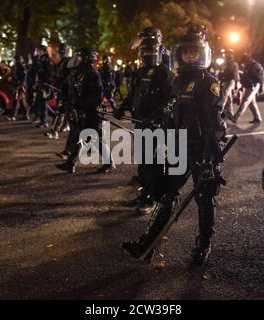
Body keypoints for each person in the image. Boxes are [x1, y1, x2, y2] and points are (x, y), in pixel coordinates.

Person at [122, 29, 227, 265]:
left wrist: (210, 159)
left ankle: (203, 244)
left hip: (201, 151)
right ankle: (148, 243)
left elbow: (214, 125)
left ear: (202, 54)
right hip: (180, 147)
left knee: (204, 197)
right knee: (168, 195)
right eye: (186, 52)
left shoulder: (209, 84)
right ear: (179, 54)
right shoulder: (178, 81)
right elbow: (171, 115)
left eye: (194, 52)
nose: (190, 57)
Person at [114, 27, 175, 215]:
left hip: (157, 125)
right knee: (143, 161)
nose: (147, 54)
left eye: (150, 51)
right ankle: (144, 193)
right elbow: (134, 93)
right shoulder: (141, 72)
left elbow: (170, 99)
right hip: (141, 122)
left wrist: (157, 117)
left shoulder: (165, 72)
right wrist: (122, 106)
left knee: (155, 162)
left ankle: (153, 198)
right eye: (145, 52)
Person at [56, 48, 115, 174]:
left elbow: (97, 96)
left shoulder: (93, 74)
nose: (76, 60)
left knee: (96, 138)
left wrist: (83, 105)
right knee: (80, 136)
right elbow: (69, 90)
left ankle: (109, 163)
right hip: (80, 110)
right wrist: (66, 103)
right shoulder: (76, 73)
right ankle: (70, 163)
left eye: (79, 57)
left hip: (91, 112)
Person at [46, 43, 73, 139]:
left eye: (63, 51)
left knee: (63, 110)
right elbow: (57, 76)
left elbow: (70, 78)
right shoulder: (61, 63)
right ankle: (60, 128)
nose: (61, 53)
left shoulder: (70, 63)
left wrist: (62, 85)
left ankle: (56, 130)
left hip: (67, 91)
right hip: (62, 90)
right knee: (62, 110)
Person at [232, 54, 264, 124]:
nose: (243, 63)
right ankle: (257, 118)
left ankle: (235, 117)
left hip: (254, 86)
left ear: (248, 60)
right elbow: (245, 77)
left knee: (245, 101)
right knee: (252, 103)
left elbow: (261, 77)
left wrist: (261, 86)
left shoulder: (256, 66)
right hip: (249, 86)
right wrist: (241, 86)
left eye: (244, 61)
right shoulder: (248, 65)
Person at [32, 45, 55, 128]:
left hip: (45, 84)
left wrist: (47, 82)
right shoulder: (40, 59)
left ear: (43, 51)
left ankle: (44, 121)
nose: (37, 52)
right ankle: (54, 115)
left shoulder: (47, 60)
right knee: (40, 102)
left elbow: (50, 73)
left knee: (42, 101)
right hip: (40, 83)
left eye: (39, 50)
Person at [219, 49, 240, 120]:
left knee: (224, 95)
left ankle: (219, 111)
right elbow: (221, 72)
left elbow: (236, 75)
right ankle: (230, 113)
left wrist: (237, 84)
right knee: (228, 98)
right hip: (225, 81)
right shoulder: (225, 63)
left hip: (231, 81)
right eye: (225, 54)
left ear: (231, 55)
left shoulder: (233, 64)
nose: (226, 55)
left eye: (227, 54)